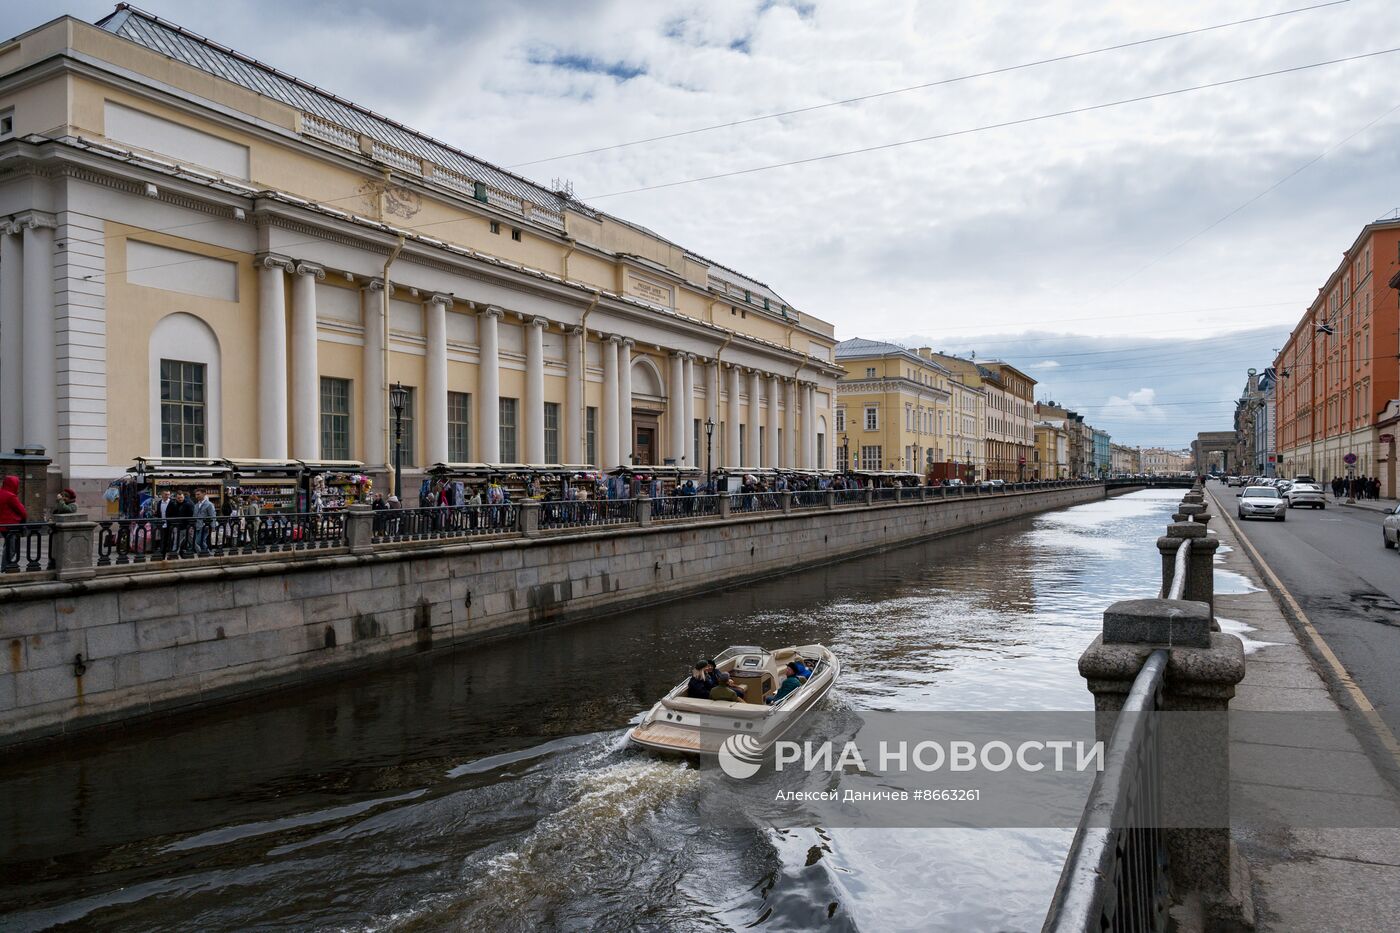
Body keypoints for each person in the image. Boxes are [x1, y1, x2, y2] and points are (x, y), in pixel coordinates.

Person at [0, 475, 27, 568]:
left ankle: (5, 566)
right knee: (11, 549)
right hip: (11, 526)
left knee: (7, 546)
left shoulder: (1, 492)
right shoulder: (10, 496)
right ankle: (4, 568)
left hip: (3, 526)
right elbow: (23, 511)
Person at [192, 488, 217, 555]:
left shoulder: (209, 504)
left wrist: (213, 526)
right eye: (196, 495)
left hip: (205, 526)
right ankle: (205, 552)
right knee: (200, 541)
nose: (196, 496)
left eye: (198, 494)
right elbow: (194, 516)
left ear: (204, 494)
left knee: (198, 541)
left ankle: (205, 552)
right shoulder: (196, 505)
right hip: (197, 526)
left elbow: (213, 516)